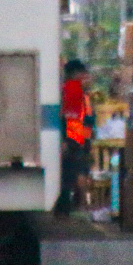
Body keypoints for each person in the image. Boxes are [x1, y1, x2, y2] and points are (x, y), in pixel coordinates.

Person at [59, 58, 95, 214]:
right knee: (77, 173)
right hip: (76, 141)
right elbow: (71, 119)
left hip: (77, 140)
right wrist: (72, 141)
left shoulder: (78, 92)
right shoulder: (73, 90)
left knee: (73, 174)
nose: (88, 77)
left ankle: (74, 206)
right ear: (76, 74)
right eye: (85, 74)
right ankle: (78, 207)